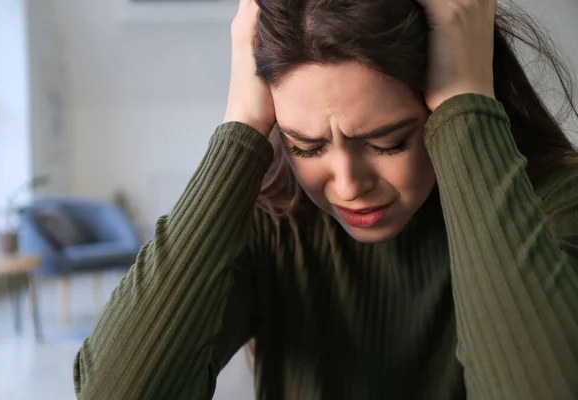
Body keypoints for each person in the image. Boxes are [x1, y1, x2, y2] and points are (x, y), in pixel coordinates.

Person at [73, 0, 578, 398]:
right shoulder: (270, 223)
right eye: (305, 146)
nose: (347, 185)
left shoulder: (556, 205)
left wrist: (467, 103)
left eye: (388, 141)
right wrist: (239, 127)